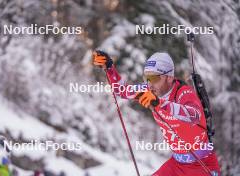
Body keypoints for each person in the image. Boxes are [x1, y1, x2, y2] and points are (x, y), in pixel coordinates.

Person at [93, 51, 221, 176]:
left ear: (169, 77)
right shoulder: (149, 90)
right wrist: (109, 67)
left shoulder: (184, 93)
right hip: (177, 164)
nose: (149, 84)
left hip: (202, 165)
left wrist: (160, 103)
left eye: (153, 78)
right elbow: (121, 91)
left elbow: (194, 115)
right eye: (146, 78)